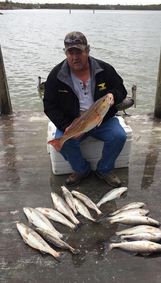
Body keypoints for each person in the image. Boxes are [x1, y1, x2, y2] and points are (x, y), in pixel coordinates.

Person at [43, 31, 127, 187]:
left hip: (103, 118)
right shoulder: (56, 75)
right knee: (65, 142)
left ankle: (104, 170)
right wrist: (64, 125)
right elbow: (49, 105)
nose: (75, 57)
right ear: (65, 53)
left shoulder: (104, 69)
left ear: (87, 51)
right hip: (73, 121)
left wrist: (113, 95)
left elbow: (121, 88)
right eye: (70, 52)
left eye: (79, 52)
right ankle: (82, 170)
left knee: (119, 136)